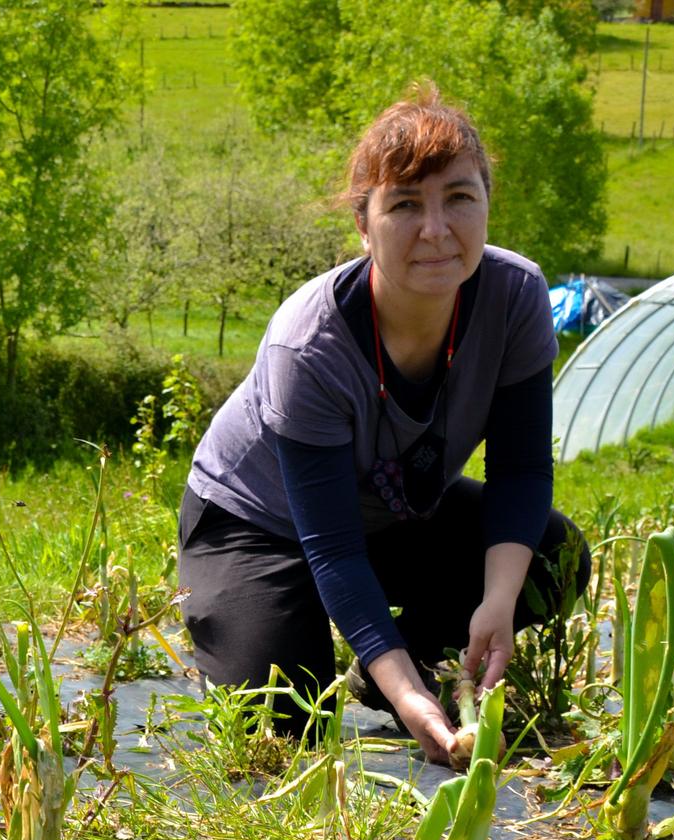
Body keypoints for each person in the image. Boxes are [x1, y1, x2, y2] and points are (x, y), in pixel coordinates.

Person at [177, 82, 591, 765]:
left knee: (550, 557)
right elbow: (331, 546)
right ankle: (329, 641)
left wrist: (493, 605)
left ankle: (391, 663)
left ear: (488, 203)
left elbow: (521, 469)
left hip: (392, 510)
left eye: (459, 197)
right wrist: (412, 702)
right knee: (288, 726)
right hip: (257, 524)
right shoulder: (308, 345)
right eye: (404, 205)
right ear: (364, 227)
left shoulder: (515, 298)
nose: (437, 230)